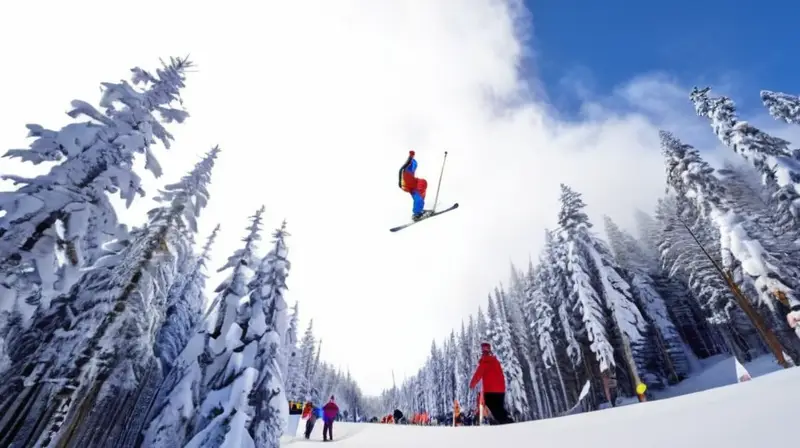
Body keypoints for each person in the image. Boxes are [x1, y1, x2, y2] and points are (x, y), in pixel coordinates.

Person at [469, 342, 513, 425]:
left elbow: (478, 374)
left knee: (492, 407)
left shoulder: (485, 362)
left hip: (490, 390)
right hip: (501, 390)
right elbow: (500, 374)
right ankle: (506, 420)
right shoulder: (495, 361)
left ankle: (507, 422)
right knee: (499, 407)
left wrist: (472, 384)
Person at [399, 150, 433, 221]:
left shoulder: (410, 171)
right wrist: (411, 156)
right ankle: (416, 214)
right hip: (410, 186)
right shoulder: (407, 170)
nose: (415, 168)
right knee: (419, 198)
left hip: (414, 183)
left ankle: (419, 208)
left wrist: (412, 156)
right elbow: (407, 163)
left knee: (423, 183)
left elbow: (409, 164)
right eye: (414, 167)